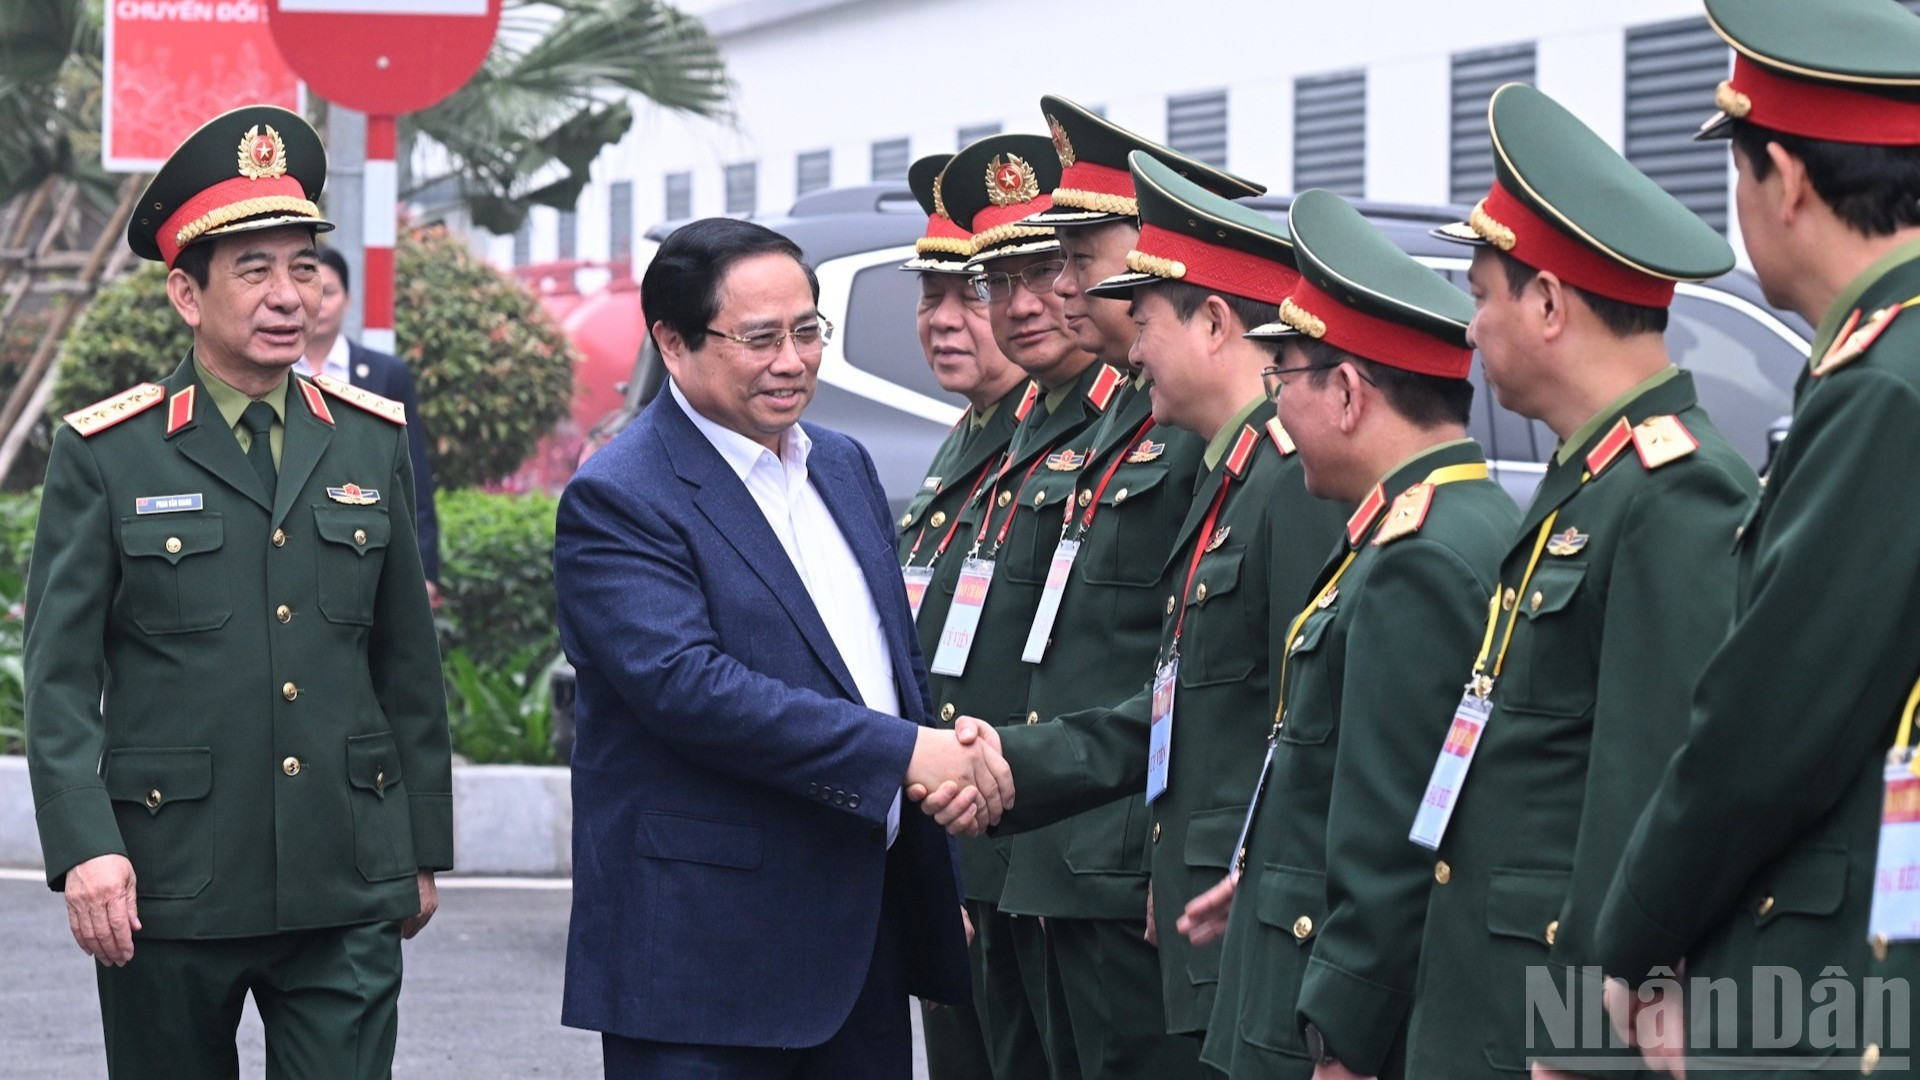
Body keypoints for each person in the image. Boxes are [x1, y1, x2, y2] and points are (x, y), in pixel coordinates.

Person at [23, 105, 450, 1079]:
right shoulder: (109, 451)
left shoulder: (369, 439)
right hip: (171, 876)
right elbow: (57, 679)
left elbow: (405, 662)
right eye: (253, 269)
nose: (287, 295)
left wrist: (418, 843)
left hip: (344, 872)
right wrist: (87, 848)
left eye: (302, 266)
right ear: (186, 292)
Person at [924, 150, 1348, 1045]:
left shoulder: (1268, 471)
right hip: (1089, 853)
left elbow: (1297, 718)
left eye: (1082, 266)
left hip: (1167, 878)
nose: (1075, 294)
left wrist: (1206, 862)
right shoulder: (1140, 431)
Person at [554, 216, 985, 1078]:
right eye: (759, 338)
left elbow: (880, 669)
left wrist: (935, 821)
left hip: (858, 946)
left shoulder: (845, 466)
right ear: (673, 345)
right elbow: (693, 689)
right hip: (705, 962)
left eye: (807, 331)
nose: (792, 361)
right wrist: (908, 754)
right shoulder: (620, 497)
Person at [1399, 82, 1759, 1079]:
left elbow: (1655, 793)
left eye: (1480, 296)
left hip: (1554, 1017)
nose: (1467, 330)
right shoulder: (1587, 475)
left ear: (1548, 304)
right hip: (1491, 989)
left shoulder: (1676, 493)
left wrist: (1591, 1036)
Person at [1594, 1, 1920, 1073]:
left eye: (1737, 170)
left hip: (1852, 976)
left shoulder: (1884, 390)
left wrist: (1636, 931)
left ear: (1782, 177)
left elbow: (1767, 726)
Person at [1176, 188, 1520, 1080]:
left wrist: (1346, 1043)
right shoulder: (1438, 522)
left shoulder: (1421, 558)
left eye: (1283, 377)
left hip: (1332, 1026)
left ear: (1347, 391)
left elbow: (1399, 831)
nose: (1276, 406)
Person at [998, 94, 1264, 1080]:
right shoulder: (1108, 417)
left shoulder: (1208, 423)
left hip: (1128, 860)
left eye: (1085, 256)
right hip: (1071, 846)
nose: (1065, 285)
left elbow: (1222, 679)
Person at [925, 130, 1122, 1080]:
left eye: (1050, 270)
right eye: (994, 282)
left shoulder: (1132, 427)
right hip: (993, 838)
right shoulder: (1011, 436)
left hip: (1076, 848)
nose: (1019, 304)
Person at [897, 151, 1027, 1080]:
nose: (942, 319)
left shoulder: (1065, 441)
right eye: (930, 292)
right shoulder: (966, 440)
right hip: (954, 841)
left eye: (970, 292)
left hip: (1023, 849)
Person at [306, 246, 442, 605]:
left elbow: (412, 473)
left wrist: (425, 569)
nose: (319, 304)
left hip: (370, 546)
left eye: (330, 292)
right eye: (310, 289)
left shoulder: (386, 373)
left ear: (348, 300)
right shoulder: (271, 371)